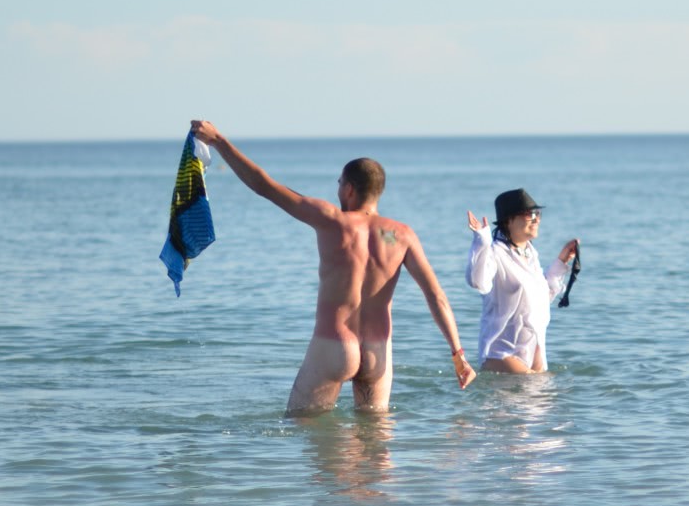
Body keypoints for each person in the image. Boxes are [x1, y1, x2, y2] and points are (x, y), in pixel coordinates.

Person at [187, 120, 476, 414]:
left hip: (334, 345)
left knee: (305, 429)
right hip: (378, 351)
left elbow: (265, 185)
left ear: (349, 189)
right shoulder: (401, 235)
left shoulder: (332, 220)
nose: (337, 190)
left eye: (339, 184)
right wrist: (458, 354)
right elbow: (436, 296)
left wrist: (219, 140)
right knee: (377, 448)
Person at [465, 188, 579, 374]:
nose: (536, 219)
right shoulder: (495, 253)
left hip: (533, 353)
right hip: (501, 354)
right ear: (508, 221)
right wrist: (481, 241)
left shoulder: (530, 253)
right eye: (528, 214)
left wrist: (561, 262)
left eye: (537, 213)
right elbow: (477, 281)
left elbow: (539, 299)